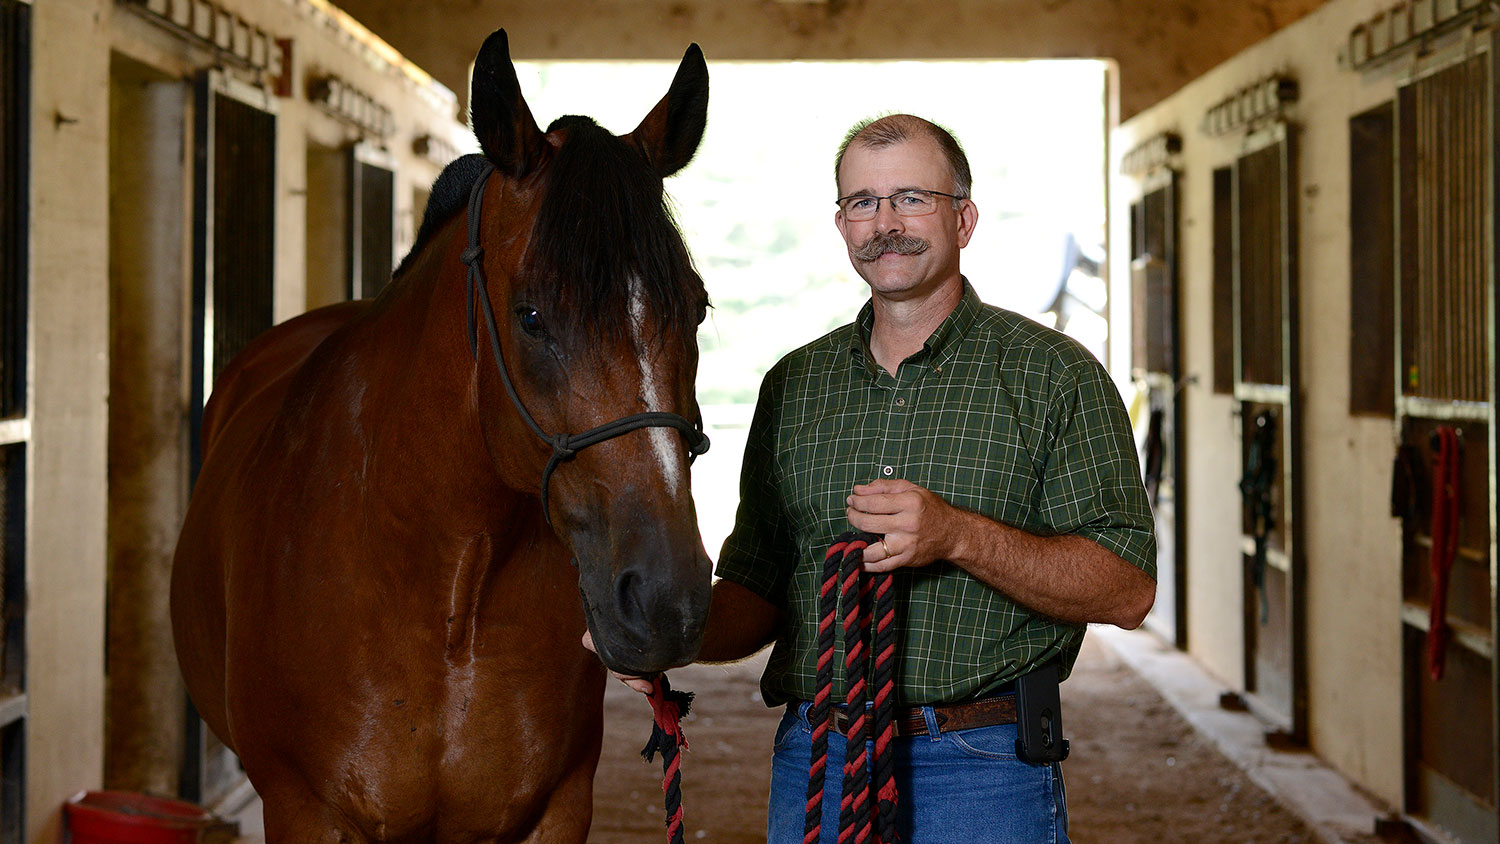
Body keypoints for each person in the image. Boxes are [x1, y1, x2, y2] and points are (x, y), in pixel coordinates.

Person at [594, 113, 1156, 843]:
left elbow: (1127, 589)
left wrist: (956, 535)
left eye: (911, 199)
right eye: (862, 203)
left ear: (965, 217)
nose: (884, 223)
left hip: (982, 766)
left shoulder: (1055, 377)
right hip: (818, 758)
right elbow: (759, 592)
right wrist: (665, 634)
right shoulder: (794, 385)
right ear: (842, 224)